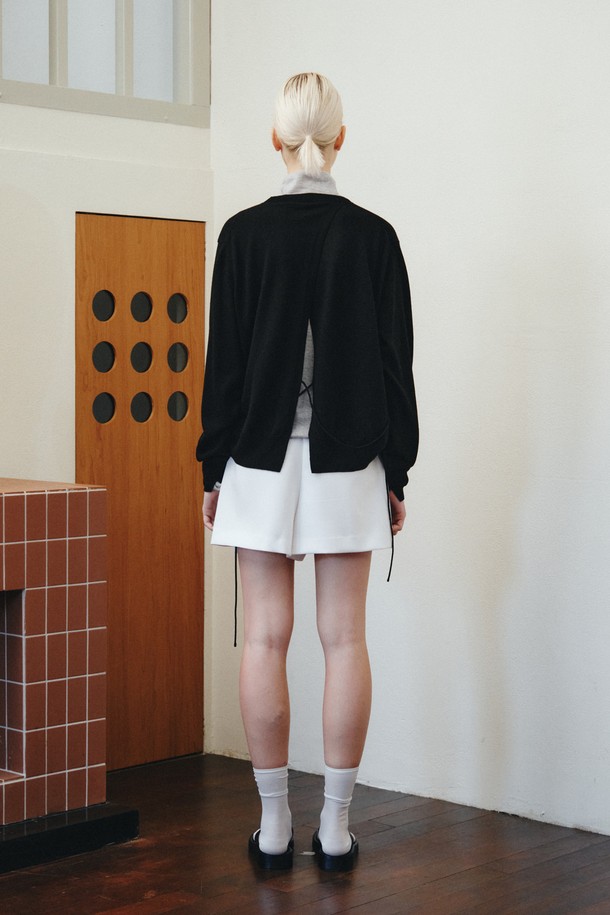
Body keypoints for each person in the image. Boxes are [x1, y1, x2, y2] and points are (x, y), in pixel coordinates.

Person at [196, 72, 418, 872]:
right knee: (345, 638)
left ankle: (272, 828)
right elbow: (395, 366)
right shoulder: (374, 237)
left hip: (256, 460)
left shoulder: (242, 235)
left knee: (263, 636)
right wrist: (397, 471)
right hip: (348, 463)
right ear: (340, 139)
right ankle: (335, 829)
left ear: (276, 140)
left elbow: (224, 368)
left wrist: (212, 466)